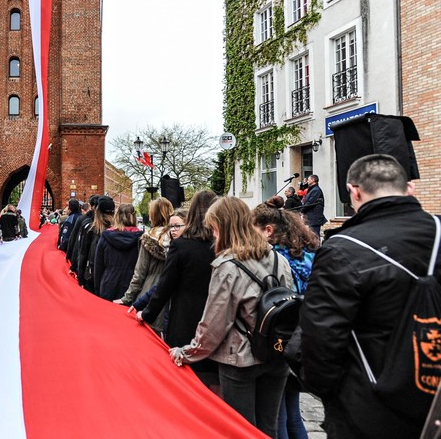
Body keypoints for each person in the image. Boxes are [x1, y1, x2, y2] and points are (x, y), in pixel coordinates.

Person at [294, 154, 439, 438]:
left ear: (354, 192)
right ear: (410, 188)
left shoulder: (342, 249)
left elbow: (320, 337)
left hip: (370, 404)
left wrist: (330, 392)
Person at [169, 196, 292, 437]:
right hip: (276, 353)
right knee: (269, 428)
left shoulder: (228, 266)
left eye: (214, 228)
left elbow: (214, 323)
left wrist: (187, 352)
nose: (213, 235)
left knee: (240, 430)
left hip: (240, 359)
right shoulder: (279, 259)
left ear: (224, 227)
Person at [138, 190, 219, 389]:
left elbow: (165, 285)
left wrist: (147, 314)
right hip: (217, 317)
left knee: (186, 379)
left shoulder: (182, 246)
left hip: (185, 317)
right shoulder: (222, 245)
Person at [252, 202, 319, 439]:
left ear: (268, 230)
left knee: (278, 414)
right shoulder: (311, 254)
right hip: (304, 337)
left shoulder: (274, 258)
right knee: (293, 412)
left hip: (280, 339)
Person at [115, 198, 174, 316]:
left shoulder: (149, 238)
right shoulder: (177, 238)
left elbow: (140, 272)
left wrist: (127, 297)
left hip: (150, 292)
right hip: (172, 293)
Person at [93, 203, 142, 300]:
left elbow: (98, 265)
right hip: (132, 284)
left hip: (109, 282)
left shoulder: (106, 236)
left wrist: (97, 288)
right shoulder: (140, 238)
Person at [78, 196, 115, 295]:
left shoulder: (92, 230)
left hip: (93, 278)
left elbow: (83, 253)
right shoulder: (119, 232)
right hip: (112, 281)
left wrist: (80, 277)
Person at [301, 174, 327, 239]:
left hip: (314, 218)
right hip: (311, 218)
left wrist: (301, 211)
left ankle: (316, 249)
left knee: (314, 237)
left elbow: (309, 203)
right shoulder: (312, 190)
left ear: (313, 180)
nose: (307, 181)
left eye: (308, 180)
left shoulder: (316, 190)